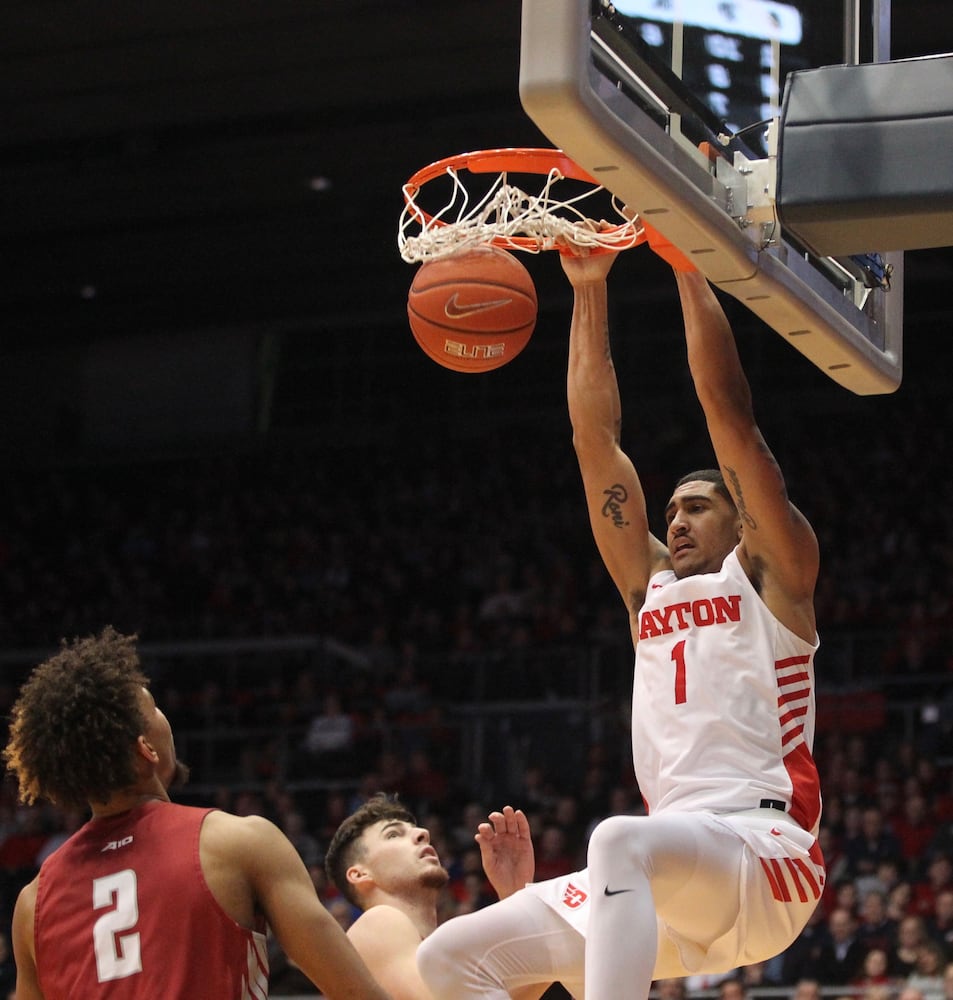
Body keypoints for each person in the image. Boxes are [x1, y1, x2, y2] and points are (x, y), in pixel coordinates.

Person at [416, 236, 825, 999]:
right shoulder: (649, 590)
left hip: (764, 853)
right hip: (668, 873)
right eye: (668, 510)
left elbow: (729, 417)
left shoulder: (772, 578)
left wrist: (685, 259)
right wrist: (588, 285)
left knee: (616, 839)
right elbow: (593, 441)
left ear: (743, 523)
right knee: (448, 958)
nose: (673, 521)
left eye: (697, 507)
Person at [1, 627, 391, 1000]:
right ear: (145, 750)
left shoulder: (32, 904)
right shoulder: (237, 842)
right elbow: (357, 993)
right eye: (154, 709)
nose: (164, 718)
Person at [324, 793, 546, 1000]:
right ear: (359, 874)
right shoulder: (378, 921)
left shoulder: (428, 949)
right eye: (393, 834)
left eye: (416, 829)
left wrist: (516, 895)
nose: (423, 833)